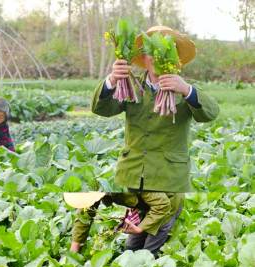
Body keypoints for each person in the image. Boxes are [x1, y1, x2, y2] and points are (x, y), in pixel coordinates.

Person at [91, 26, 219, 192]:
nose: (158, 56)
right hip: (133, 175)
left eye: (166, 50)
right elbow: (101, 109)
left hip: (170, 179)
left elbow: (211, 113)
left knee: (164, 218)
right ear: (144, 58)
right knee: (135, 219)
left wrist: (187, 90)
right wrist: (112, 80)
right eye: (152, 50)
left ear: (176, 59)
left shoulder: (186, 88)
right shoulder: (130, 85)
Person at [66, 192, 183, 255]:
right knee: (130, 248)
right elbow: (84, 217)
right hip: (149, 203)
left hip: (167, 203)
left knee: (148, 253)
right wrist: (74, 252)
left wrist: (140, 228)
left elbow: (162, 205)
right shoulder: (94, 185)